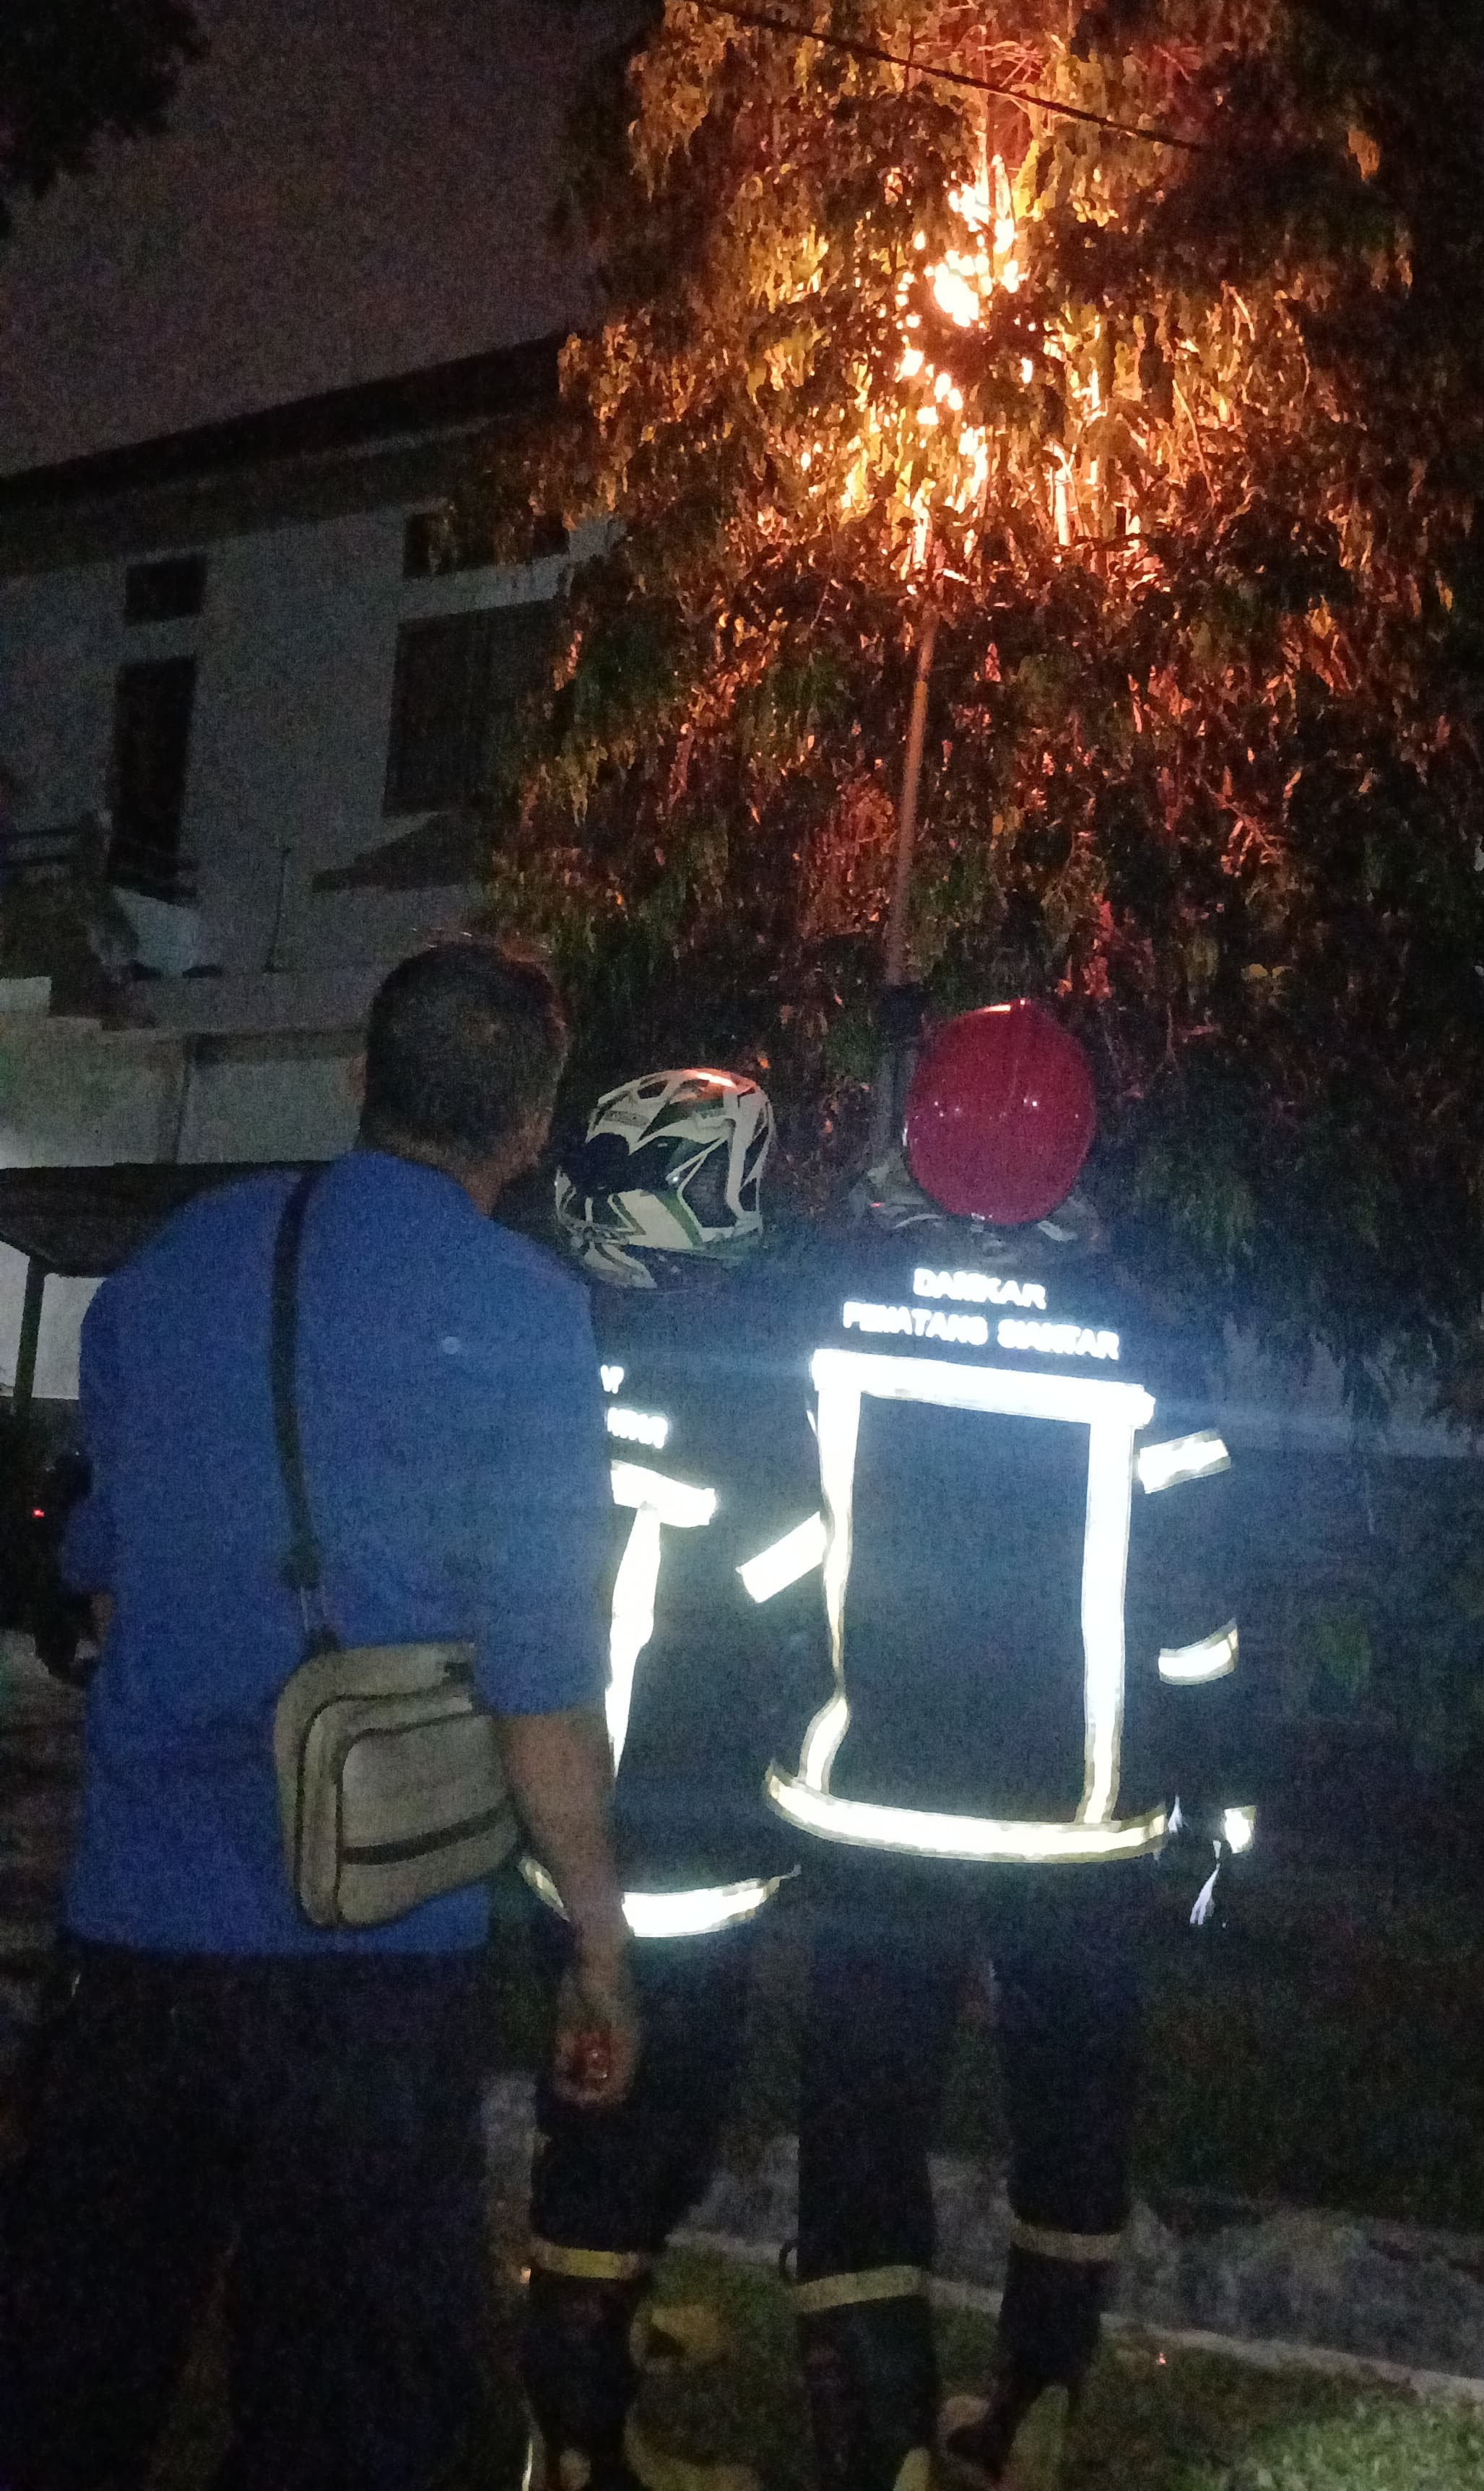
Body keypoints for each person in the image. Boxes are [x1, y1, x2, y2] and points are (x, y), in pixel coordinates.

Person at [0, 938, 640, 2491]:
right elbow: (542, 1685)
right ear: (533, 1127)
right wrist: (600, 1949)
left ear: (359, 1081)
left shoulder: (170, 1274)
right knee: (348, 2404)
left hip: (140, 1939)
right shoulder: (529, 1320)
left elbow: (94, 1574)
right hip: (372, 1957)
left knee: (69, 2370)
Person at [773, 1001, 1251, 2491]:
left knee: (857, 2129)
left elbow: (777, 1541)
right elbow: (1196, 1619)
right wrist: (1216, 1791)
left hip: (871, 1804)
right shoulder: (1149, 1346)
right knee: (1071, 2113)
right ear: (1079, 1148)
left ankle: (882, 2447)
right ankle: (1033, 2411)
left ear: (914, 1138)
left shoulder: (827, 1313)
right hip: (1081, 1819)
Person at [498, 1067, 829, 2491]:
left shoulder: (545, 1363)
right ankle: (575, 2447)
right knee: (633, 2136)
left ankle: (602, 2335)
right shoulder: (741, 1408)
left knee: (593, 2118)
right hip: (682, 1862)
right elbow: (799, 1630)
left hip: (551, 1833)